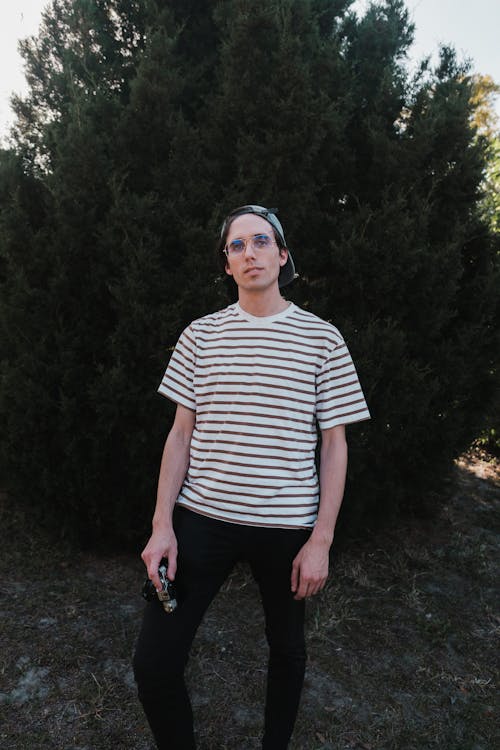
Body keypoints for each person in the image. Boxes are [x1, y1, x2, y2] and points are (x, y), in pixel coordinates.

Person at [133, 204, 370, 749]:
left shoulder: (323, 339)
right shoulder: (199, 335)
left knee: (287, 650)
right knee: (153, 662)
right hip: (201, 522)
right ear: (227, 265)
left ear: (282, 256)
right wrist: (161, 526)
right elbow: (180, 435)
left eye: (260, 241)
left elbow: (335, 445)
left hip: (287, 529)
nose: (248, 253)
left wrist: (321, 540)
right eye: (236, 246)